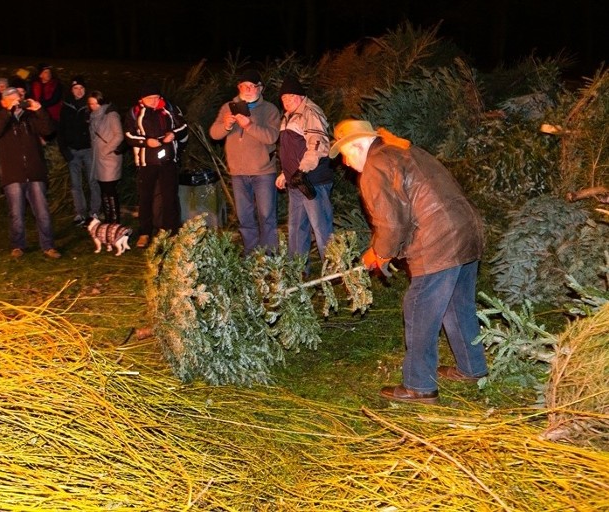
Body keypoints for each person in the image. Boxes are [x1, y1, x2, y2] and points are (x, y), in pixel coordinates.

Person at [329, 119, 489, 404]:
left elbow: (391, 223)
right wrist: (384, 251)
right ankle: (472, 368)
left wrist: (380, 254)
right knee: (457, 303)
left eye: (345, 153)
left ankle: (419, 385)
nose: (345, 162)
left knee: (418, 306)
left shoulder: (375, 165)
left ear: (357, 144)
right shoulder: (405, 151)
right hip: (467, 230)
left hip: (438, 239)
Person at [209, 69, 280, 255]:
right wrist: (226, 125)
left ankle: (269, 254)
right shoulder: (228, 107)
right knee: (244, 216)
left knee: (266, 215)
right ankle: (250, 251)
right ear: (238, 87)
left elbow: (272, 137)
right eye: (243, 86)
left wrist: (248, 125)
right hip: (238, 171)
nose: (247, 89)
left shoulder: (270, 110)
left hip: (263, 171)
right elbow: (214, 134)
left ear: (260, 88)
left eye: (252, 86)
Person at [0, 87, 61, 260]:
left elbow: (49, 130)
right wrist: (7, 112)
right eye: (12, 100)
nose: (17, 103)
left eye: (18, 99)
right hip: (13, 174)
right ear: (3, 102)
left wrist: (39, 110)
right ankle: (17, 245)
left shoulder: (30, 118)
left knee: (42, 212)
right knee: (16, 212)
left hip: (35, 172)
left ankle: (48, 246)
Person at [276, 75, 335, 271]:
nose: (285, 101)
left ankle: (333, 271)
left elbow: (316, 145)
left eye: (289, 97)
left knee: (321, 228)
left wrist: (302, 170)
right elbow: (291, 150)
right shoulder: (288, 116)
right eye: (283, 98)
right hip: (296, 182)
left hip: (313, 181)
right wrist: (286, 174)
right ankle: (297, 271)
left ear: (300, 96)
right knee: (296, 229)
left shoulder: (311, 113)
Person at [124, 81, 188, 248]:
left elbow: (184, 128)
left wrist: (173, 134)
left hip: (168, 161)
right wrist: (146, 142)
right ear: (142, 99)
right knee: (145, 198)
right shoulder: (134, 112)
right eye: (150, 98)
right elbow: (129, 136)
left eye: (156, 97)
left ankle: (170, 232)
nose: (154, 101)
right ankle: (145, 232)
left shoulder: (169, 109)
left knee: (170, 197)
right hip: (146, 162)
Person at [59, 75, 100, 225]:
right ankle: (80, 213)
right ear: (72, 90)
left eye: (81, 88)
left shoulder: (90, 106)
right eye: (76, 88)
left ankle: (94, 211)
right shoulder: (66, 107)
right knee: (76, 184)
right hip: (72, 151)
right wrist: (64, 150)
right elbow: (61, 129)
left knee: (92, 181)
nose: (79, 91)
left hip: (88, 150)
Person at [87, 90, 124, 224]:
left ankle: (114, 221)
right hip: (98, 159)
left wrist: (106, 151)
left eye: (95, 103)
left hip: (109, 159)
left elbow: (119, 135)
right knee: (104, 190)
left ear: (101, 102)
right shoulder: (93, 116)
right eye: (90, 104)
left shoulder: (111, 115)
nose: (92, 106)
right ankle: (108, 220)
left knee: (109, 190)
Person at [29, 63, 63, 134]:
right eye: (45, 72)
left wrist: (39, 106)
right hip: (38, 116)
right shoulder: (34, 85)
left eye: (49, 72)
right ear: (40, 75)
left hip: (53, 116)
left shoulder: (56, 85)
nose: (48, 74)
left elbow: (54, 100)